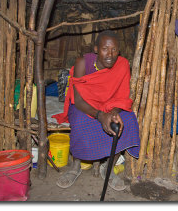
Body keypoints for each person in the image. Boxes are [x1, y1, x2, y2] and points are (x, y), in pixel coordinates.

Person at [53, 30, 140, 191]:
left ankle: (108, 167)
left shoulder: (122, 64)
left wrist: (113, 112)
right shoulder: (82, 63)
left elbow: (122, 95)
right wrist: (100, 116)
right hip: (84, 105)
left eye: (114, 49)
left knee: (127, 120)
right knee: (80, 121)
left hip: (110, 104)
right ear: (95, 49)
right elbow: (78, 100)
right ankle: (75, 166)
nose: (110, 54)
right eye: (105, 49)